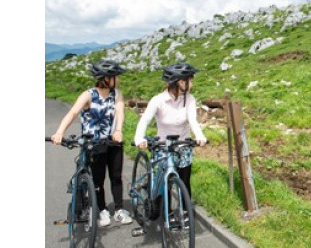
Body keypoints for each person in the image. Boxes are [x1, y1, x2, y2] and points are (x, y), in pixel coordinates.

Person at [51, 59, 133, 227]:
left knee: (116, 177)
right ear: (105, 78)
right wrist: (60, 132)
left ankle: (118, 210)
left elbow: (120, 112)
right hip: (93, 144)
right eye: (115, 76)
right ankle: (102, 210)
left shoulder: (117, 94)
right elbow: (73, 112)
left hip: (113, 142)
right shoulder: (88, 95)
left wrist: (118, 130)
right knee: (98, 180)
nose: (118, 79)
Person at [133, 62, 207, 207]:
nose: (191, 83)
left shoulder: (190, 99)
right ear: (179, 81)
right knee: (164, 183)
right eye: (189, 80)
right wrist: (139, 138)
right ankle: (166, 213)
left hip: (183, 146)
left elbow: (193, 120)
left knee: (184, 182)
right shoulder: (158, 100)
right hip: (163, 147)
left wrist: (200, 136)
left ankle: (185, 213)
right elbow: (145, 119)